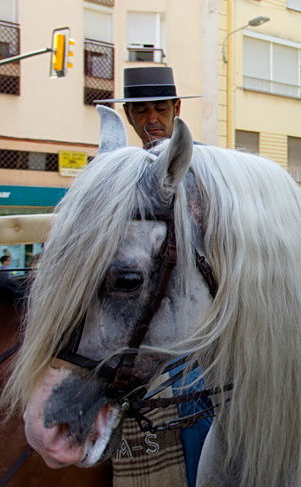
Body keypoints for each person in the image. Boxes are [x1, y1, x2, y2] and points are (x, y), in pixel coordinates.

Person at [97, 66, 209, 487]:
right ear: (128, 118)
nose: (151, 121)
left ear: (177, 110)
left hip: (199, 316)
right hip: (137, 312)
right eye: (140, 112)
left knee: (195, 394)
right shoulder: (122, 173)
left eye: (160, 110)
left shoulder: (204, 168)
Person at [95, 67, 201, 149]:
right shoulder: (129, 167)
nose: (151, 119)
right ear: (128, 114)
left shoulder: (205, 161)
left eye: (161, 108)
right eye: (141, 111)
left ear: (176, 108)